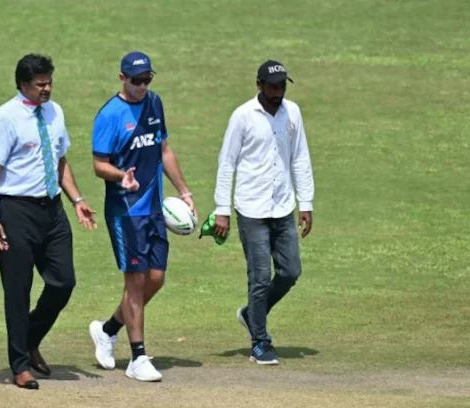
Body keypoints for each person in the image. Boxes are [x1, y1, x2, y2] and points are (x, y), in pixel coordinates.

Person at [0, 54, 97, 390]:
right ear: (23, 84)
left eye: (49, 82)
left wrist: (77, 200)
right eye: (40, 84)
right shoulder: (6, 117)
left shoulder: (55, 112)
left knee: (64, 282)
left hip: (53, 209)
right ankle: (19, 364)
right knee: (17, 291)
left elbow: (60, 160)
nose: (47, 89)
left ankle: (30, 338)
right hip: (16, 211)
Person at [87, 51, 197, 382]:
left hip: (153, 208)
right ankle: (137, 358)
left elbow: (164, 150)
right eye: (137, 81)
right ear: (122, 78)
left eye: (148, 79)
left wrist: (185, 191)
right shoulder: (109, 115)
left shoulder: (154, 104)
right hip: (126, 211)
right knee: (134, 280)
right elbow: (98, 165)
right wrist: (122, 176)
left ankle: (107, 330)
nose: (143, 86)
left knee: (156, 279)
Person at [211, 60, 314, 366]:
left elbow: (300, 157)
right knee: (259, 277)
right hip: (251, 208)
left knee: (290, 271)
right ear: (259, 85)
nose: (277, 92)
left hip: (283, 205)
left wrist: (306, 202)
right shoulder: (243, 116)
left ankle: (250, 314)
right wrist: (221, 210)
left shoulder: (292, 113)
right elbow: (226, 162)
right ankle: (260, 340)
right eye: (272, 86)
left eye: (281, 86)